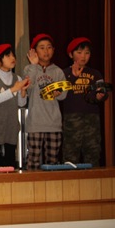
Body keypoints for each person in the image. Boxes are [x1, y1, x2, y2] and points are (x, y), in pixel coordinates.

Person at [23, 33, 69, 170]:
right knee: (33, 161)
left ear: (53, 50)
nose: (46, 51)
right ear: (34, 51)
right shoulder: (29, 69)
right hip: (35, 122)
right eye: (42, 48)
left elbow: (63, 96)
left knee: (52, 162)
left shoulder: (58, 71)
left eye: (49, 47)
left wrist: (58, 93)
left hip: (53, 123)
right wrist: (33, 65)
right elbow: (28, 88)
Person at [62, 37, 110, 167]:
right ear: (71, 54)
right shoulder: (64, 73)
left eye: (87, 53)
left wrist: (100, 96)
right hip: (72, 119)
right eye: (79, 52)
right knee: (70, 155)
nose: (83, 56)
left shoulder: (95, 74)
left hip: (92, 119)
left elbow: (103, 93)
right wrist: (73, 77)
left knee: (93, 153)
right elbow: (60, 94)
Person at [0, 44, 30, 168]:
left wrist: (23, 92)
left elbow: (21, 104)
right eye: (7, 56)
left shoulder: (17, 77)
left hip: (11, 124)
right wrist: (14, 89)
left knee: (10, 158)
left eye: (13, 55)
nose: (12, 58)